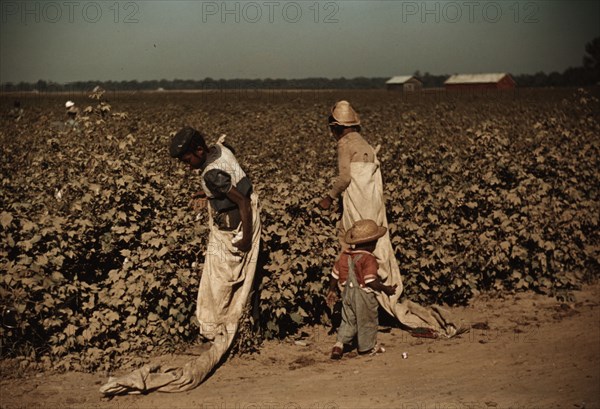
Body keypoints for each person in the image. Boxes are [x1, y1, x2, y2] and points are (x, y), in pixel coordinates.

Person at [169, 126, 261, 343]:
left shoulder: (212, 174)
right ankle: (240, 326)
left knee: (220, 281)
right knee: (243, 276)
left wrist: (246, 237)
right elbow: (232, 177)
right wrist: (210, 192)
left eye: (187, 159)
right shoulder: (220, 149)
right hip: (249, 214)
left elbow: (242, 202)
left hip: (237, 226)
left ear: (200, 151)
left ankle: (218, 331)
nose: (186, 164)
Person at [327, 219, 397, 359]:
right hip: (363, 295)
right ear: (372, 243)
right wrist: (385, 288)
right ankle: (366, 348)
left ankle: (339, 345)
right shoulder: (368, 259)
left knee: (348, 320)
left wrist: (332, 290)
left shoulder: (345, 255)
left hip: (347, 294)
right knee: (367, 320)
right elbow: (370, 281)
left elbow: (334, 274)